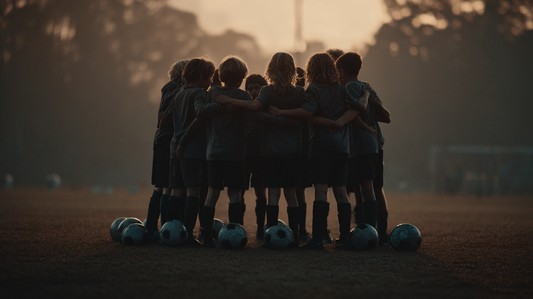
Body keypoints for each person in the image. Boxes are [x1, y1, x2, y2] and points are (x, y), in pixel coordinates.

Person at [266, 53, 369, 249]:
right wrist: (340, 122)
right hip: (341, 147)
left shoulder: (313, 89)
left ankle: (317, 239)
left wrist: (281, 112)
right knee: (341, 191)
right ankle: (345, 238)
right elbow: (356, 108)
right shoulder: (341, 88)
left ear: (310, 69)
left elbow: (307, 112)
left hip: (321, 147)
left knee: (321, 190)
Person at [216, 52, 305, 246]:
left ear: (270, 69)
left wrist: (230, 100)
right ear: (292, 69)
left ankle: (269, 237)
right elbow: (307, 114)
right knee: (290, 194)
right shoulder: (299, 92)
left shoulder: (267, 92)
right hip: (292, 151)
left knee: (272, 194)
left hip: (270, 151)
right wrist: (285, 119)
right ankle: (296, 238)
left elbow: (255, 109)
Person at [180, 56, 251, 247]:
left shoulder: (211, 93)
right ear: (242, 77)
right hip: (236, 154)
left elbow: (200, 118)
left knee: (212, 193)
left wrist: (183, 141)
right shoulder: (243, 97)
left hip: (213, 153)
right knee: (235, 194)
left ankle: (207, 236)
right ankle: (236, 231)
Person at [335, 52, 391, 245]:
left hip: (361, 144)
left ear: (341, 71)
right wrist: (372, 101)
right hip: (376, 144)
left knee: (365, 188)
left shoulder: (349, 87)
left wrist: (366, 125)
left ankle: (370, 234)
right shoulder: (367, 87)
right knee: (375, 187)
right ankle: (381, 234)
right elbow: (386, 117)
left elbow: (355, 113)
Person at [161, 57, 216, 246]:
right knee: (194, 192)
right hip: (191, 150)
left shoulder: (179, 94)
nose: (210, 82)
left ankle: (169, 232)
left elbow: (165, 119)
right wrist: (220, 105)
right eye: (210, 78)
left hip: (174, 149)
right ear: (202, 77)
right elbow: (201, 112)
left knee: (176, 191)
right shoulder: (199, 94)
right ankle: (188, 235)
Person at [146, 59, 188, 242]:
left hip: (172, 141)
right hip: (165, 142)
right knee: (163, 186)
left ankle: (163, 227)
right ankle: (156, 228)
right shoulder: (171, 87)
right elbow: (166, 107)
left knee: (169, 187)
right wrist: (183, 88)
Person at [243, 74, 269, 241]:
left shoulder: (267, 108)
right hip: (244, 155)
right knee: (238, 192)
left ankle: (260, 229)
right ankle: (237, 226)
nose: (253, 92)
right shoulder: (243, 108)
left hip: (261, 156)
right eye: (250, 88)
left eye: (256, 88)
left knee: (261, 192)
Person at [295, 66, 312, 242]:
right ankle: (301, 231)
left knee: (277, 191)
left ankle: (298, 230)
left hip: (292, 149)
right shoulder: (308, 97)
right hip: (304, 149)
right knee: (300, 192)